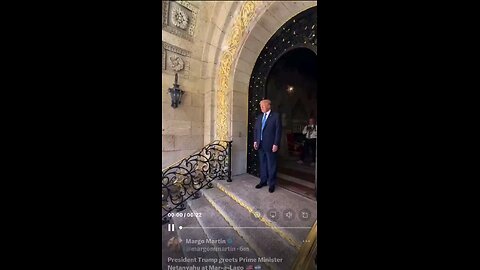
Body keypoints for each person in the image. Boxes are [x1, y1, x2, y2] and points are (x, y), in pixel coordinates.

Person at [253, 99, 282, 193]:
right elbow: (256, 130)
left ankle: (272, 184)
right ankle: (263, 181)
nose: (261, 108)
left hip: (271, 145)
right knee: (263, 164)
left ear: (269, 106)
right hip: (260, 144)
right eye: (260, 106)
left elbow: (278, 131)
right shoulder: (259, 117)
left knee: (271, 165)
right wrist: (255, 141)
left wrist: (276, 143)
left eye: (263, 106)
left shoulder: (276, 116)